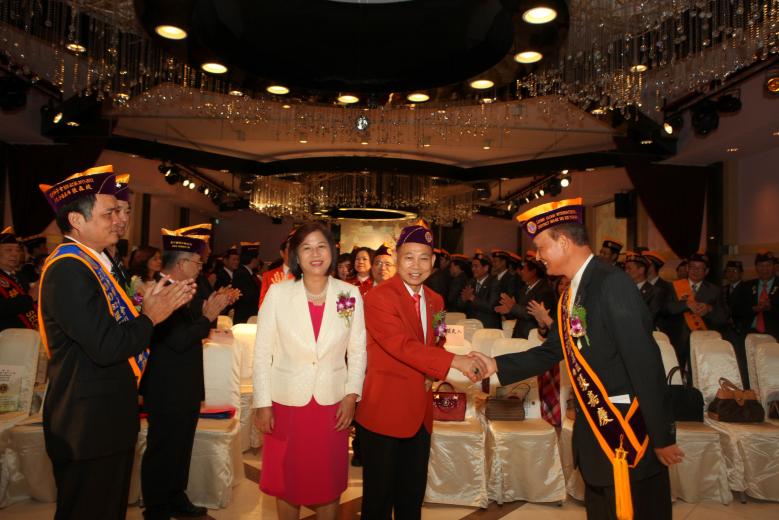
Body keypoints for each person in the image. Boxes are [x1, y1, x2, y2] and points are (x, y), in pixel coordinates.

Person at [473, 198, 682, 520]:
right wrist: (496, 364)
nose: (538, 256)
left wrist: (662, 436)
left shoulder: (611, 283)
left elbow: (645, 362)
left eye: (541, 247)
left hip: (628, 432)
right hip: (595, 428)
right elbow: (553, 350)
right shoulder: (572, 293)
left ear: (564, 242)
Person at [37, 166, 195, 520]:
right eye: (109, 213)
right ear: (76, 220)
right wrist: (149, 317)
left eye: (120, 211)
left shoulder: (99, 263)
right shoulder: (69, 269)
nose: (119, 220)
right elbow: (106, 346)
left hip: (104, 418)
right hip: (87, 424)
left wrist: (148, 310)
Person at [355, 224, 485, 520]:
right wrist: (454, 362)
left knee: (411, 498)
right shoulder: (378, 298)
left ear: (433, 262)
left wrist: (433, 372)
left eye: (424, 258)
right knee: (377, 501)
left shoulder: (437, 301)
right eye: (409, 257)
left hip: (421, 413)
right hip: (384, 411)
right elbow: (401, 345)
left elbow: (437, 340)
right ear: (397, 258)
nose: (416, 266)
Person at [253, 223, 367, 520]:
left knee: (328, 481)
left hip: (332, 404)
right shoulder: (278, 293)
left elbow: (357, 350)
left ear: (332, 251)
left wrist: (351, 396)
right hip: (286, 403)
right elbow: (262, 352)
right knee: (286, 481)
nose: (315, 254)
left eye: (321, 246)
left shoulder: (348, 294)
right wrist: (262, 403)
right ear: (296, 255)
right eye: (307, 248)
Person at [140, 228, 237, 520]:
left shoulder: (183, 290)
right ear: (181, 264)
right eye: (197, 262)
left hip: (185, 382)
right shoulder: (161, 292)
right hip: (166, 385)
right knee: (163, 447)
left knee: (181, 445)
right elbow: (179, 340)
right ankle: (156, 506)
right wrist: (207, 316)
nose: (200, 267)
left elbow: (193, 331)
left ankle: (175, 496)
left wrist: (207, 311)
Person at [665, 252, 730, 376]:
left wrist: (709, 309)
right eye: (692, 267)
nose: (696, 271)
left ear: (707, 271)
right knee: (676, 376)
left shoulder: (715, 290)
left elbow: (723, 317)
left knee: (699, 376)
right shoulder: (673, 286)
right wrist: (685, 305)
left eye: (700, 268)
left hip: (703, 341)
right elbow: (666, 309)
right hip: (678, 340)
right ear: (687, 268)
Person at [497, 253, 556, 339]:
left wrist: (513, 307)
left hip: (532, 336)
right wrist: (510, 311)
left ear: (533, 272)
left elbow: (533, 314)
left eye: (524, 269)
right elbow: (519, 310)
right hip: (520, 334)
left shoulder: (544, 290)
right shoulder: (525, 288)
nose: (521, 272)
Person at [732, 251, 779, 339]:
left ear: (775, 267)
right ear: (756, 267)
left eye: (768, 265)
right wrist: (753, 309)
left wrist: (771, 308)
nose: (765, 269)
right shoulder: (746, 286)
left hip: (775, 334)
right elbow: (736, 311)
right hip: (749, 334)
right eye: (761, 265)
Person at [0, 227, 39, 331]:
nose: (15, 254)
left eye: (17, 250)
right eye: (8, 250)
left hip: (30, 334)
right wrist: (30, 297)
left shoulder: (20, 276)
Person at [457, 256, 501, 328]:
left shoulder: (494, 283)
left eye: (476, 266)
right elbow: (460, 305)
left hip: (488, 326)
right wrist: (463, 299)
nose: (473, 269)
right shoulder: (471, 282)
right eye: (472, 266)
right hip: (471, 325)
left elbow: (492, 307)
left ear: (486, 268)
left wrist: (472, 298)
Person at [624, 251, 663, 326]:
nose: (626, 272)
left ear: (641, 270)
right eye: (625, 268)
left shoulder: (654, 292)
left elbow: (649, 318)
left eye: (629, 268)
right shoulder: (623, 289)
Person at [231, 242, 261, 324]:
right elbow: (247, 295)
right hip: (245, 317)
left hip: (248, 315)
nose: (259, 260)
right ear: (253, 259)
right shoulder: (241, 273)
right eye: (257, 258)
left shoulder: (248, 273)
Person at [259, 235, 294, 306]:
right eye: (290, 250)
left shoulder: (306, 274)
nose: (294, 254)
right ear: (282, 253)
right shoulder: (268, 276)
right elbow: (262, 305)